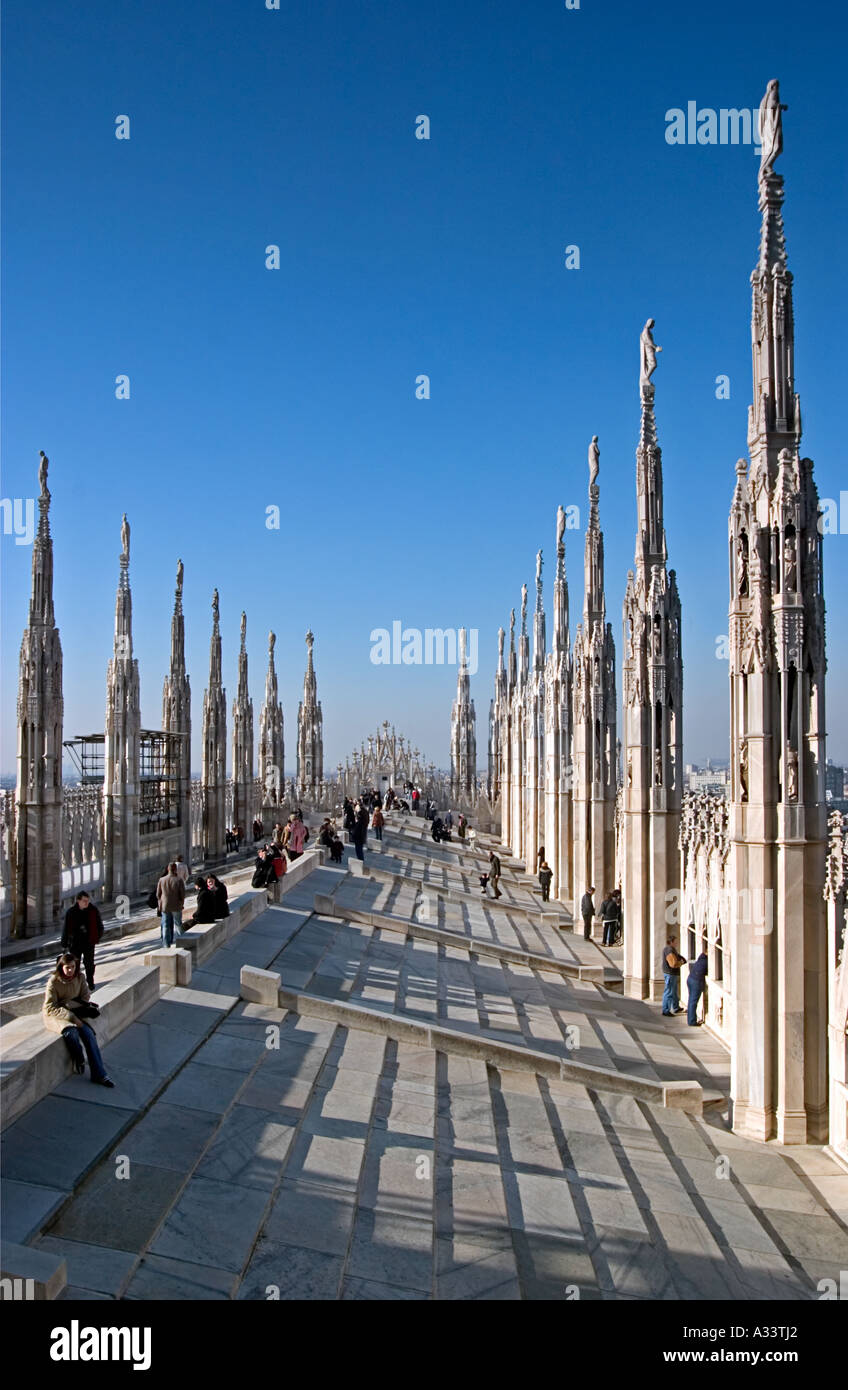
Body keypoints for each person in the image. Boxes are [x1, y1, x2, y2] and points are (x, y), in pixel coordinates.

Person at [42, 954, 114, 1087]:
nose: (70, 970)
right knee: (71, 1033)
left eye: (73, 967)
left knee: (89, 1035)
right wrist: (72, 1017)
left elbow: (85, 995)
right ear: (61, 967)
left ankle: (100, 1075)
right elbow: (49, 1007)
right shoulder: (53, 981)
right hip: (58, 1015)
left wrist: (76, 1005)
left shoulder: (80, 977)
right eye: (67, 967)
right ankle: (79, 1058)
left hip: (76, 1011)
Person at [61, 891, 105, 990]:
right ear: (78, 901)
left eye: (88, 901)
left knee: (89, 963)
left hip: (89, 942)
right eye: (84, 901)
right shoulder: (71, 912)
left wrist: (97, 936)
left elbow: (100, 925)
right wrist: (64, 944)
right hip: (75, 943)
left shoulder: (93, 910)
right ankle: (75, 985)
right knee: (75, 964)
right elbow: (66, 929)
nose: (87, 903)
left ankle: (90, 982)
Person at [157, 862, 186, 948]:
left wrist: (161, 904)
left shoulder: (162, 880)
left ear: (168, 869)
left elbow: (158, 894)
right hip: (176, 905)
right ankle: (182, 942)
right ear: (175, 869)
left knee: (165, 925)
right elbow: (182, 894)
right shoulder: (179, 880)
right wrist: (181, 903)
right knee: (178, 924)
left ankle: (166, 944)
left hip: (165, 906)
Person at [662, 936, 687, 1016]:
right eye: (675, 941)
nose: (677, 943)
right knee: (669, 992)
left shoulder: (671, 949)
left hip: (672, 974)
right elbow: (673, 964)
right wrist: (681, 963)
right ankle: (666, 1010)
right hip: (670, 974)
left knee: (674, 992)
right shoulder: (669, 950)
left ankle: (676, 1007)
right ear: (671, 942)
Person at [687, 948, 708, 1026]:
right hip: (696, 981)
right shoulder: (706, 961)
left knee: (691, 1001)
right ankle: (692, 1021)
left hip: (690, 978)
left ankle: (691, 1019)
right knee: (693, 1002)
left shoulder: (701, 957)